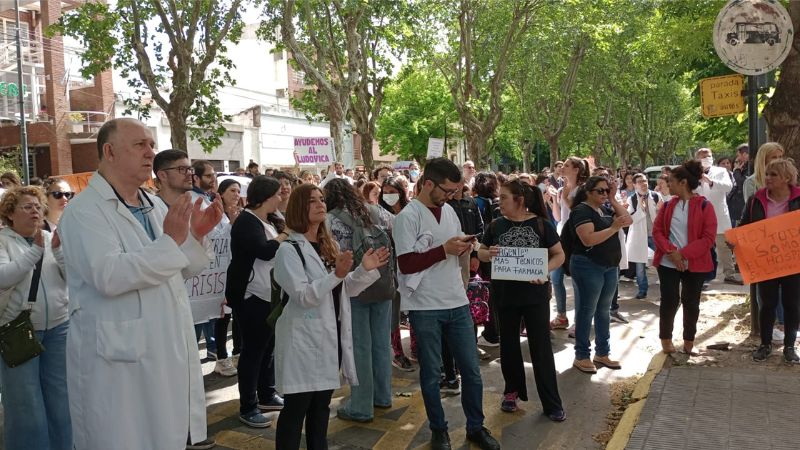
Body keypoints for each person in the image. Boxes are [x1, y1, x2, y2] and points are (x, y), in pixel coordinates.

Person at [58, 118, 223, 450]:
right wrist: (172, 242)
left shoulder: (153, 204)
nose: (150, 152)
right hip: (117, 361)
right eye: (140, 145)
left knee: (164, 436)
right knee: (122, 438)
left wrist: (195, 237)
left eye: (151, 144)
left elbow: (178, 268)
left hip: (162, 351)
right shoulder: (83, 211)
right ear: (110, 151)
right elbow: (109, 275)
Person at [393, 157, 500, 450]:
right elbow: (406, 263)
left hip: (456, 300)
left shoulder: (450, 211)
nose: (452, 196)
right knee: (431, 374)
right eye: (448, 190)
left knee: (472, 371)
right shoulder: (408, 216)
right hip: (424, 307)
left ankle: (475, 427)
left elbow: (458, 246)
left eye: (455, 190)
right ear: (428, 184)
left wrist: (477, 249)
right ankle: (439, 430)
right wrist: (443, 250)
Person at [272, 184, 388, 449]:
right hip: (302, 340)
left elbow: (344, 289)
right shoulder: (289, 250)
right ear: (299, 208)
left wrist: (363, 270)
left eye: (322, 199)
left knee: (321, 407)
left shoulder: (329, 246)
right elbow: (303, 296)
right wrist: (336, 274)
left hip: (329, 338)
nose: (320, 204)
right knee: (296, 409)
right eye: (312, 201)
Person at [477, 180, 566, 420]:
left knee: (541, 348)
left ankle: (551, 402)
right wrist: (488, 253)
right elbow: (481, 251)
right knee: (508, 346)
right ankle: (511, 392)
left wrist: (544, 270)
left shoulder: (541, 224)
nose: (500, 202)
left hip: (535, 296)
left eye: (504, 197)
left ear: (520, 200)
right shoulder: (496, 225)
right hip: (505, 296)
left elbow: (559, 254)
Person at [0, 186, 71, 450]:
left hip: (59, 328)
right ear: (10, 213)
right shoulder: (3, 240)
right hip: (18, 331)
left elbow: (71, 278)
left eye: (38, 207)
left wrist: (60, 254)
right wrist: (35, 253)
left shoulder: (49, 236)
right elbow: (3, 277)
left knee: (60, 400)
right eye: (27, 207)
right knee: (25, 404)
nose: (35, 212)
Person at [323, 178, 393, 423]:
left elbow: (330, 254)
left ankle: (362, 405)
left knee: (359, 347)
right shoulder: (374, 210)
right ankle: (383, 395)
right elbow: (395, 227)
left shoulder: (330, 220)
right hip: (383, 284)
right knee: (382, 343)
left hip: (353, 286)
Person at [226, 176, 286, 427]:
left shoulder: (267, 219)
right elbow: (263, 250)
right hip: (251, 296)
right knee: (252, 352)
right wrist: (285, 235)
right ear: (266, 196)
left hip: (269, 295)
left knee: (268, 347)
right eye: (277, 194)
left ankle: (267, 394)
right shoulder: (246, 221)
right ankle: (248, 406)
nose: (281, 198)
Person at [157, 151, 221, 361]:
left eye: (190, 169)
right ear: (162, 175)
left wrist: (198, 234)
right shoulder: (152, 211)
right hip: (160, 307)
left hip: (187, 298)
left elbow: (195, 265)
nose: (188, 174)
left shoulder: (194, 206)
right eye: (181, 169)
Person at [739, 159, 800, 363]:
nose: (768, 178)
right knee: (767, 304)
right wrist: (736, 240)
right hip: (765, 261)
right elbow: (744, 225)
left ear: (786, 178)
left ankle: (790, 347)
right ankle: (765, 345)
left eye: (773, 174)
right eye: (767, 174)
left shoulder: (798, 198)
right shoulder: (756, 200)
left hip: (793, 262)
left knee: (792, 304)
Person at [653, 160, 717, 355]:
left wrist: (683, 254)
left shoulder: (705, 206)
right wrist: (672, 253)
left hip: (695, 263)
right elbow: (657, 232)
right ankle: (666, 338)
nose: (667, 184)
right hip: (667, 262)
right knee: (669, 300)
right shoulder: (667, 205)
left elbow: (708, 238)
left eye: (671, 181)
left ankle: (689, 340)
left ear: (683, 183)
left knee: (691, 302)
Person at [569, 176, 632, 373]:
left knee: (604, 311)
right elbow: (587, 239)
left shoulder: (605, 208)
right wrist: (613, 228)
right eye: (601, 191)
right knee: (586, 311)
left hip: (609, 266)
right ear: (588, 192)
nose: (605, 194)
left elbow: (627, 219)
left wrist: (613, 200)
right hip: (588, 265)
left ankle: (602, 353)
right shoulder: (581, 210)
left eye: (607, 190)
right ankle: (581, 355)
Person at [379, 176, 417, 372]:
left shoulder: (411, 211)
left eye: (393, 192)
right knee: (394, 311)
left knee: (414, 307)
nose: (389, 196)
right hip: (389, 268)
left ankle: (416, 347)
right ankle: (397, 352)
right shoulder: (378, 214)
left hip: (411, 265)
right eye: (385, 192)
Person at [550, 157, 590, 331]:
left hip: (575, 240)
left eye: (566, 165)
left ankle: (580, 321)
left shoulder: (583, 190)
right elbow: (559, 217)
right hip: (561, 237)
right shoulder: (561, 189)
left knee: (577, 281)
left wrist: (565, 197)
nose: (562, 168)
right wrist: (554, 201)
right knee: (556, 278)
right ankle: (561, 315)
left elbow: (578, 213)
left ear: (576, 170)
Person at [693, 148, 738, 284]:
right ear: (697, 159)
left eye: (709, 156)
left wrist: (710, 181)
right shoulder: (692, 174)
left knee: (724, 246)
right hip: (700, 216)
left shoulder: (721, 171)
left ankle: (729, 274)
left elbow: (728, 187)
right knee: (702, 248)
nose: (707, 158)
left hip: (719, 215)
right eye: (703, 157)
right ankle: (703, 276)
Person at [213, 178, 243, 377]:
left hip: (236, 271)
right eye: (232, 190)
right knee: (223, 317)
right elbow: (216, 241)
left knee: (238, 315)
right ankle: (221, 357)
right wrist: (231, 223)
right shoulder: (215, 213)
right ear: (221, 193)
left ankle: (238, 353)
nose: (236, 194)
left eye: (238, 191)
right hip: (219, 273)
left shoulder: (241, 214)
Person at [473, 171, 501, 348]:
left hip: (483, 252)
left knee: (485, 292)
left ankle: (490, 332)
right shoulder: (499, 204)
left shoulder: (475, 203)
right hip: (498, 255)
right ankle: (495, 331)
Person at [626, 173, 660, 299]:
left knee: (663, 260)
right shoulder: (632, 200)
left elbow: (661, 215)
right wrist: (641, 210)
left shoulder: (656, 196)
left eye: (645, 181)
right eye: (640, 182)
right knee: (640, 266)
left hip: (655, 235)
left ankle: (666, 286)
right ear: (634, 185)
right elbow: (630, 219)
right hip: (639, 236)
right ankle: (642, 290)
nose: (643, 184)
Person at [728, 144, 749, 227]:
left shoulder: (749, 168)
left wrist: (736, 171)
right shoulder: (744, 167)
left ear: (744, 154)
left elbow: (742, 184)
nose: (738, 159)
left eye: (738, 155)